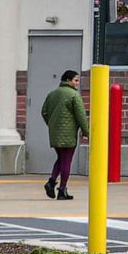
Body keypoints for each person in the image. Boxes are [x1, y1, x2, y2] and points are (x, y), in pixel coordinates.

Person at [40, 70, 89, 200]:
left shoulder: (52, 94)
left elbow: (44, 111)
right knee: (66, 161)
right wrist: (85, 132)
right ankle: (62, 189)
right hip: (69, 133)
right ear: (68, 80)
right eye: (75, 80)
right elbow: (81, 116)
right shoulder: (74, 95)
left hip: (55, 132)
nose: (77, 83)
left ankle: (51, 182)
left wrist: (51, 124)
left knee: (61, 158)